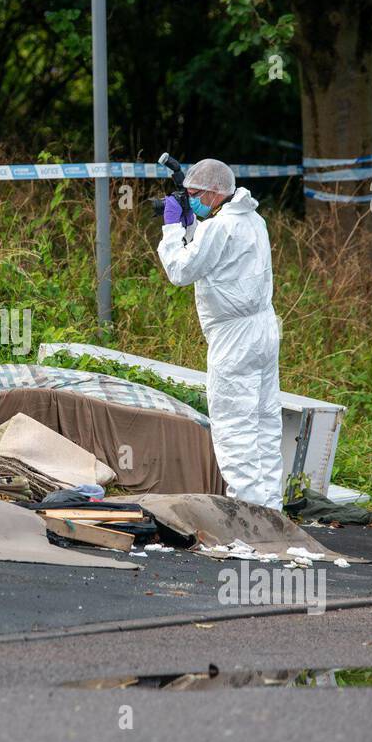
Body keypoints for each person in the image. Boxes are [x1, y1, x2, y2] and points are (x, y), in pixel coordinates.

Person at [156, 158, 284, 510]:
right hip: (262, 328)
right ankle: (270, 510)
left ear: (214, 193)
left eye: (194, 194)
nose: (190, 198)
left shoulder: (220, 228)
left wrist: (172, 229)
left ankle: (246, 516)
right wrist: (192, 223)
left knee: (234, 427)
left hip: (234, 337)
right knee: (263, 422)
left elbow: (181, 270)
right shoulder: (251, 219)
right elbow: (216, 255)